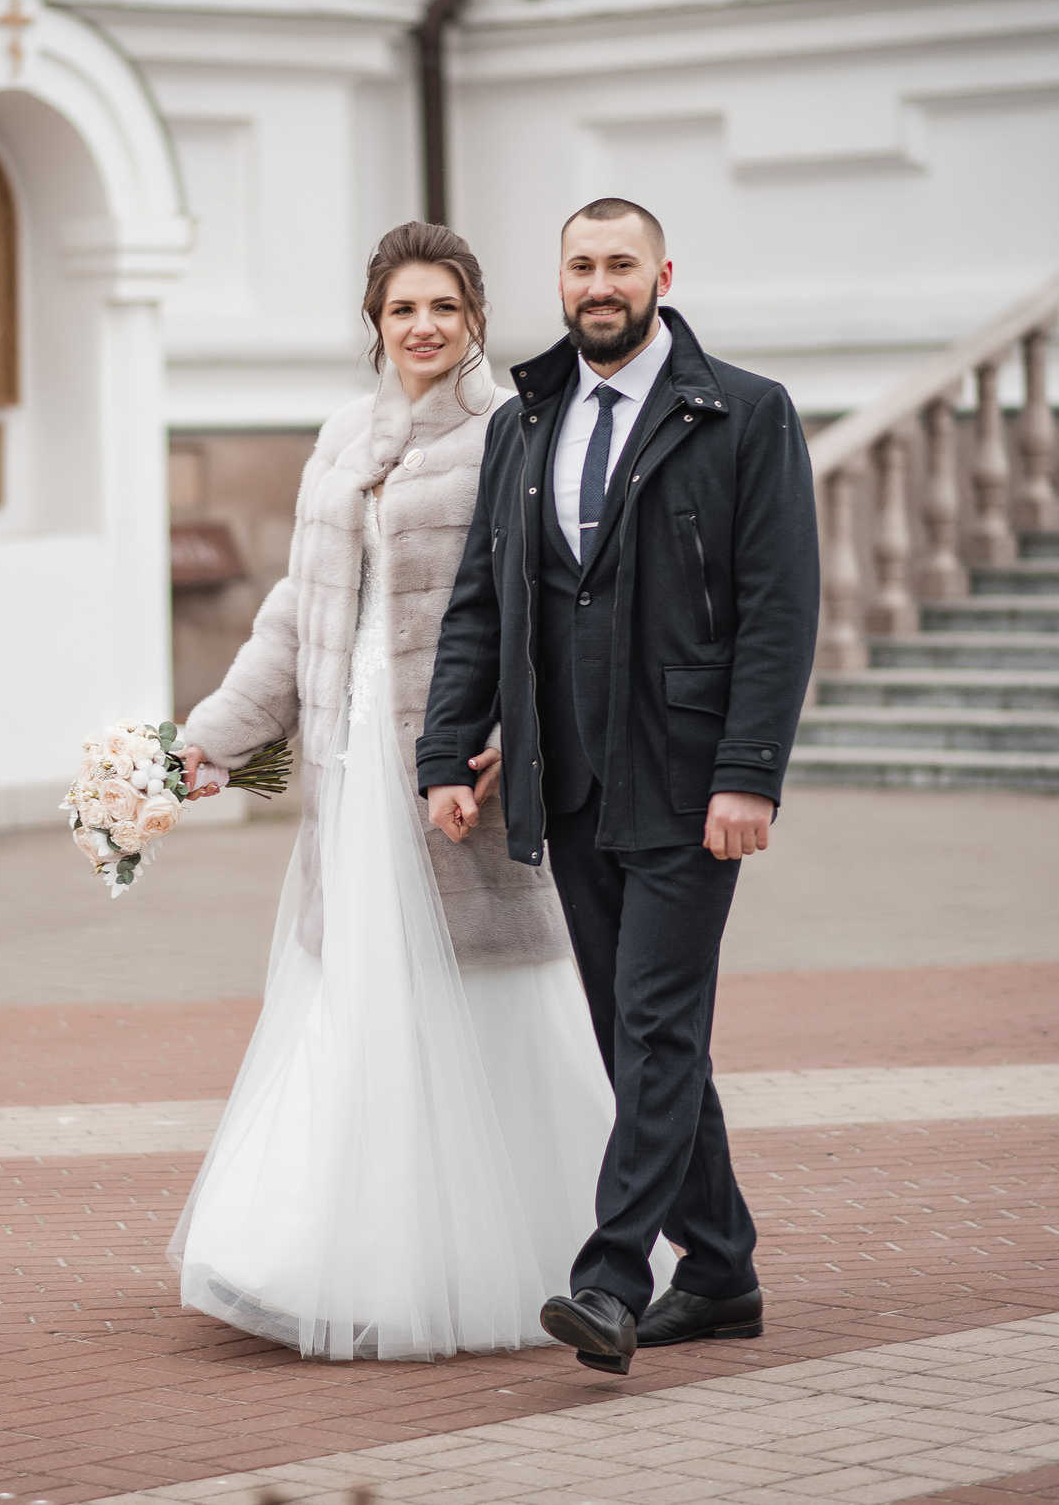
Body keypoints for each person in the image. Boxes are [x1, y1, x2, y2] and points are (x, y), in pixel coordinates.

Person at [167, 220, 670, 1362]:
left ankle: (514, 1257)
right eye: (402, 309)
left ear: (478, 319)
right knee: (351, 999)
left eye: (443, 307)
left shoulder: (514, 432)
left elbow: (543, 606)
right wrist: (209, 744)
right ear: (375, 324)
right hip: (347, 772)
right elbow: (295, 612)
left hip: (453, 773)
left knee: (475, 999)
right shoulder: (342, 437)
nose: (424, 327)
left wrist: (501, 735)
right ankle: (316, 1250)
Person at [418, 198, 820, 1376]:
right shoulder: (524, 423)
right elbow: (482, 606)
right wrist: (449, 752)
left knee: (651, 1023)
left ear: (662, 275)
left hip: (691, 782)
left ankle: (608, 1278)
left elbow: (779, 614)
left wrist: (748, 774)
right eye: (581, 266)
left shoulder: (741, 414)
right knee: (631, 1034)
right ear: (560, 281)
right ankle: (722, 1268)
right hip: (569, 781)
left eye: (620, 266)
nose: (600, 284)